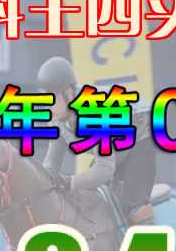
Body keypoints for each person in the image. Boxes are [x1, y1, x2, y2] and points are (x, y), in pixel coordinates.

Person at [36, 56, 156, 218]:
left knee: (131, 208)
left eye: (51, 99)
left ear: (68, 93)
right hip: (118, 146)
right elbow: (51, 165)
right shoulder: (57, 118)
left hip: (142, 136)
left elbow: (104, 170)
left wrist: (69, 181)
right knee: (94, 200)